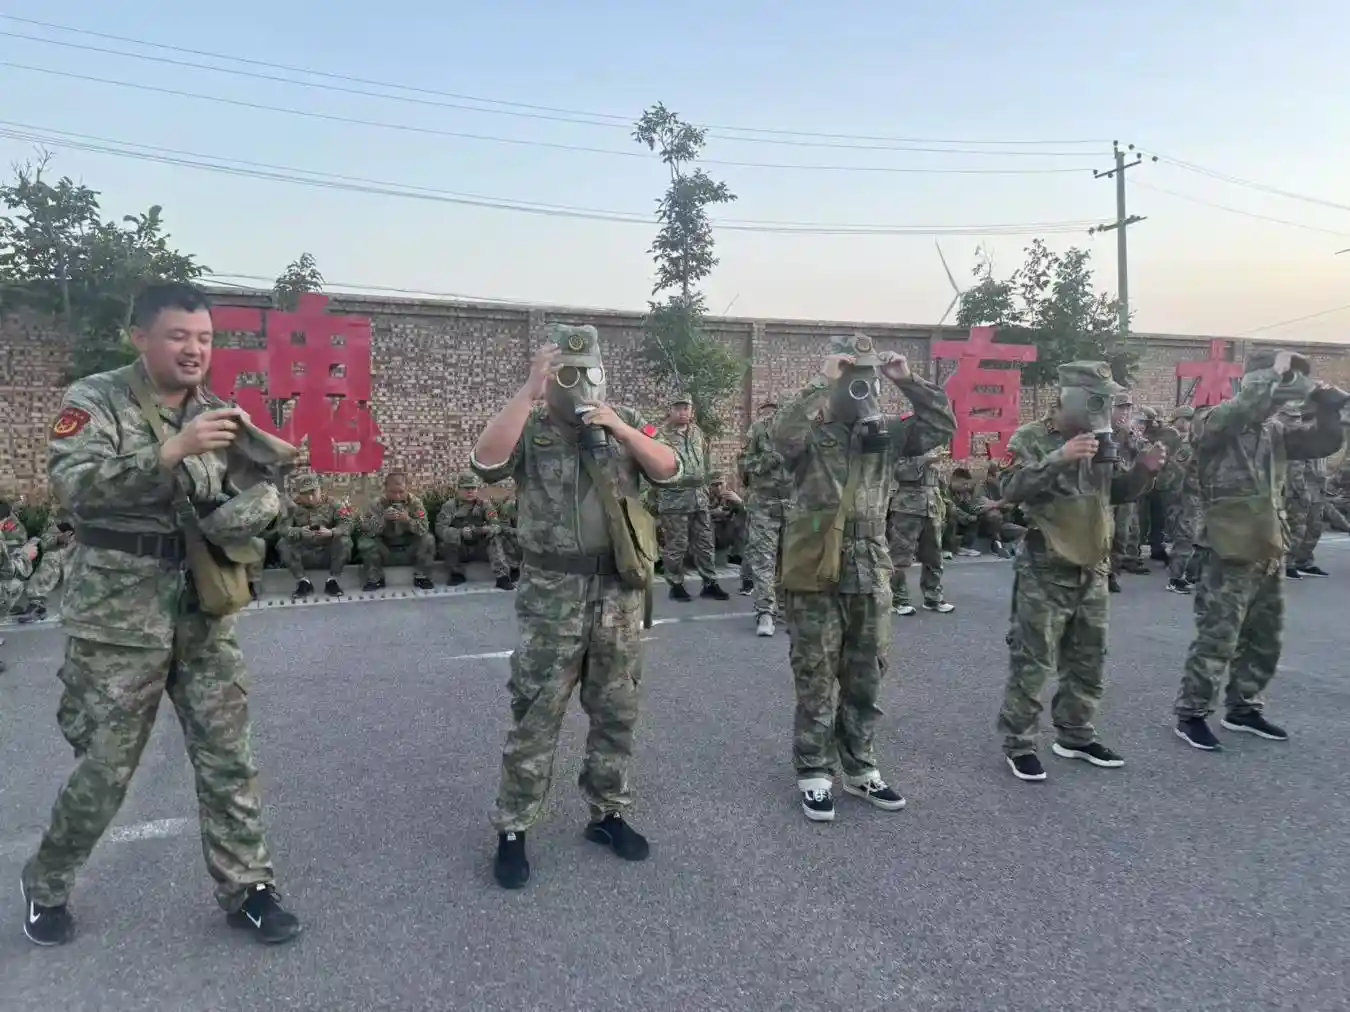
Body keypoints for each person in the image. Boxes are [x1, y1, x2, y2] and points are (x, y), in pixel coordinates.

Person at [21, 282, 302, 946]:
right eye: (179, 336)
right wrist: (171, 451)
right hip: (118, 618)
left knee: (228, 756)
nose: (194, 350)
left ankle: (249, 888)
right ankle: (47, 884)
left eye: (204, 339)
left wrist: (263, 499)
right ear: (140, 337)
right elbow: (74, 489)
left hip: (202, 607)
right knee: (106, 767)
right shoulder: (95, 399)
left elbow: (252, 491)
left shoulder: (219, 413)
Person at [469, 324, 680, 889]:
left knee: (616, 710)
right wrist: (528, 390)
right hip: (553, 594)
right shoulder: (532, 426)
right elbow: (486, 462)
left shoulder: (625, 420)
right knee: (536, 714)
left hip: (617, 594)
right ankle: (513, 829)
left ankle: (607, 813)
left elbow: (669, 469)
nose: (580, 384)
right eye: (568, 373)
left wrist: (619, 428)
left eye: (589, 372)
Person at [771, 333, 956, 821]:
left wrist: (907, 380)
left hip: (870, 564)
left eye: (866, 379)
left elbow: (941, 425)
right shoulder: (812, 435)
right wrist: (821, 381)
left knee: (866, 673)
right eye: (852, 379)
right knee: (815, 673)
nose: (860, 389)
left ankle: (860, 766)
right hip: (816, 565)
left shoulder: (887, 436)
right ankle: (814, 771)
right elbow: (781, 436)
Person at [996, 362, 1166, 782]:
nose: (1105, 408)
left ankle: (1075, 734)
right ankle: (1019, 743)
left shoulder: (1105, 439)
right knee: (1033, 660)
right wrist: (1060, 457)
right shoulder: (1031, 438)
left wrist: (1143, 471)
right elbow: (1010, 491)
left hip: (1093, 567)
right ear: (1069, 398)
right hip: (1045, 567)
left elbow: (1116, 493)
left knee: (1088, 659)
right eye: (1098, 399)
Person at [1174, 351, 1346, 751]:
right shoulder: (1212, 420)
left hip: (1267, 545)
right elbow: (1239, 412)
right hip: (1227, 548)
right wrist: (1273, 377)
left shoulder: (1275, 432)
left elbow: (1324, 442)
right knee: (1218, 637)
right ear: (1254, 382)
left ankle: (1243, 706)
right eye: (1276, 381)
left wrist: (1326, 407)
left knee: (1264, 636)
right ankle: (1191, 713)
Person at [656, 392, 728, 602]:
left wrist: (717, 481)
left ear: (691, 411)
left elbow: (707, 459)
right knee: (676, 544)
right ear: (670, 411)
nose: (682, 412)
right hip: (674, 497)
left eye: (686, 408)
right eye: (678, 408)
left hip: (699, 497)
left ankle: (709, 583)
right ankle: (676, 584)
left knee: (705, 542)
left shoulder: (697, 433)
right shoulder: (660, 436)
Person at [738, 400, 791, 636]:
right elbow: (744, 462)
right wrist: (767, 461)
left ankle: (787, 608)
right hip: (764, 506)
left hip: (794, 506)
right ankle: (765, 613)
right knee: (763, 560)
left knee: (791, 561)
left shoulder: (803, 431)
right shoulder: (759, 430)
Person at [887, 449, 954, 614]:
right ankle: (897, 599)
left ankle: (933, 597)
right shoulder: (904, 444)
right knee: (901, 555)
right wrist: (925, 460)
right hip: (907, 507)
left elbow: (938, 480)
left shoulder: (933, 448)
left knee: (934, 555)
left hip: (931, 506)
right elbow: (898, 472)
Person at [356, 471, 436, 591]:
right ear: (385, 489)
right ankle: (375, 579)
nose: (397, 496)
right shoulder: (376, 504)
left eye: (401, 492)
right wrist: (383, 519)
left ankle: (422, 576)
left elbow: (424, 528)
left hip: (409, 549)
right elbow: (366, 529)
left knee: (428, 539)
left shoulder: (415, 504)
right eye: (393, 492)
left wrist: (408, 520)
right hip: (386, 550)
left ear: (407, 489)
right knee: (365, 542)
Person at [276, 473, 354, 598]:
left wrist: (332, 532)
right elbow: (282, 529)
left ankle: (332, 581)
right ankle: (303, 582)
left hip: (328, 553)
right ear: (299, 494)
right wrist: (299, 531)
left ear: (320, 489)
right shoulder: (292, 507)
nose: (310, 498)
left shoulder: (334, 504)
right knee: (283, 543)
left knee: (345, 540)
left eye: (313, 492)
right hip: (303, 553)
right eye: (305, 494)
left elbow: (348, 523)